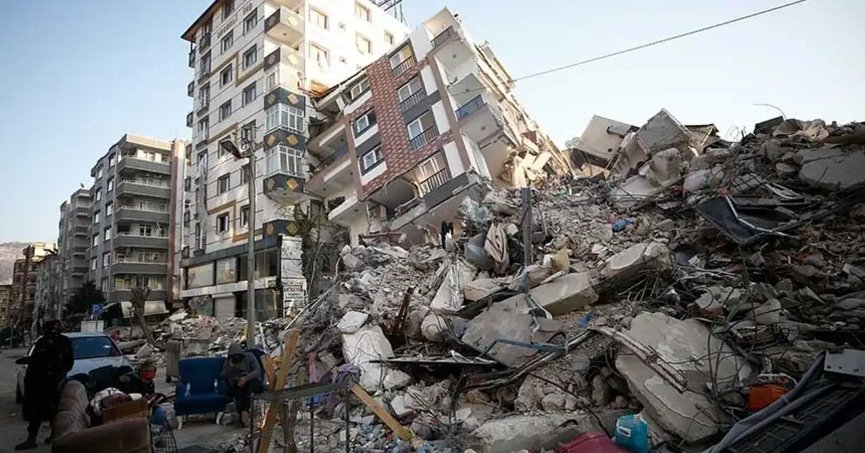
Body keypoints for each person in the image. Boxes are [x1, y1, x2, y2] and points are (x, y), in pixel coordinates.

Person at [16, 319, 73, 450]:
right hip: (36, 383)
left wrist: (58, 374)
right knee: (34, 413)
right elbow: (35, 360)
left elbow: (68, 362)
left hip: (52, 383)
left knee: (53, 411)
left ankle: (54, 435)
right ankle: (31, 439)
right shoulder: (41, 342)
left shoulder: (63, 342)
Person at [220, 342, 263, 427]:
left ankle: (244, 413)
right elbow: (222, 375)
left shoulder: (249, 356)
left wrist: (246, 378)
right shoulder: (228, 362)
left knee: (246, 390)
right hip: (237, 383)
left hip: (251, 380)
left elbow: (257, 371)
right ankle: (243, 413)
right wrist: (231, 368)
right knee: (239, 391)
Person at [118, 360, 168, 427]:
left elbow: (150, 396)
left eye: (151, 371)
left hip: (147, 407)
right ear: (140, 372)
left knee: (160, 414)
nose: (149, 373)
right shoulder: (132, 382)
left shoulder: (151, 383)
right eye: (146, 371)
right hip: (134, 409)